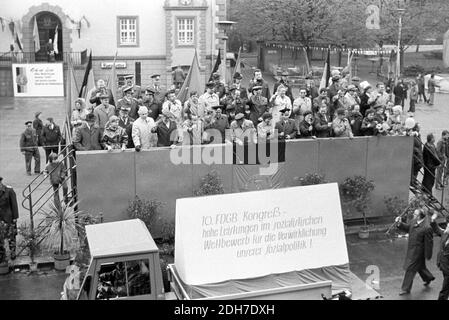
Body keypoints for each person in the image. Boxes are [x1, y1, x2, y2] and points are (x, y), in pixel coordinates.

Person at [395, 208, 435, 295]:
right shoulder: (414, 221)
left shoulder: (427, 228)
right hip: (411, 249)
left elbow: (429, 243)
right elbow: (408, 228)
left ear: (421, 216)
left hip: (418, 253)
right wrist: (399, 223)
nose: (414, 215)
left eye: (416, 214)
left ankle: (405, 288)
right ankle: (428, 278)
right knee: (420, 267)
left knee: (410, 268)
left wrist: (428, 255)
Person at [429, 210, 449, 300]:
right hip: (444, 265)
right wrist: (433, 220)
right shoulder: (445, 233)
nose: (447, 226)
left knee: (445, 289)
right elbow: (436, 229)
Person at [0, 177, 19, 260]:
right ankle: (2, 254)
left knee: (11, 236)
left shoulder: (9, 191)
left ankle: (12, 252)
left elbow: (14, 205)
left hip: (9, 217)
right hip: (0, 218)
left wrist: (15, 217)